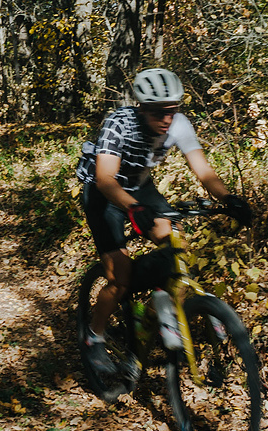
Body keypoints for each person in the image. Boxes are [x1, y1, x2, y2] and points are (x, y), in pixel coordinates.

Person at [75, 68, 251, 377]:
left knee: (176, 247)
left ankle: (154, 315)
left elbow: (204, 172)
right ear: (141, 107)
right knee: (121, 279)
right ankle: (95, 336)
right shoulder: (119, 123)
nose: (167, 118)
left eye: (173, 110)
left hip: (140, 188)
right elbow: (105, 179)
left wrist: (229, 199)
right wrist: (133, 208)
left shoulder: (179, 124)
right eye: (159, 112)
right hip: (104, 193)